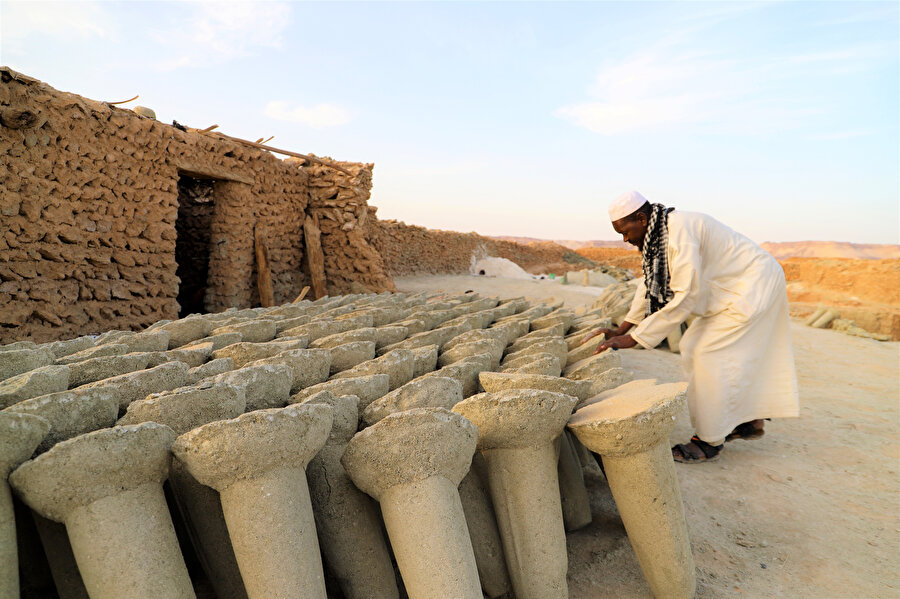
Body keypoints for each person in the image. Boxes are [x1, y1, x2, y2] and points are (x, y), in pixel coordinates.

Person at [582, 191, 800, 463]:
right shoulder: (660, 234)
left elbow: (686, 295)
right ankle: (749, 421)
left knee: (706, 352)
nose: (625, 240)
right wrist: (623, 329)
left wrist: (636, 338)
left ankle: (709, 441)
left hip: (752, 286)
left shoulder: (680, 231)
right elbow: (648, 286)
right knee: (704, 349)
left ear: (641, 217)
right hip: (739, 288)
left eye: (625, 232)